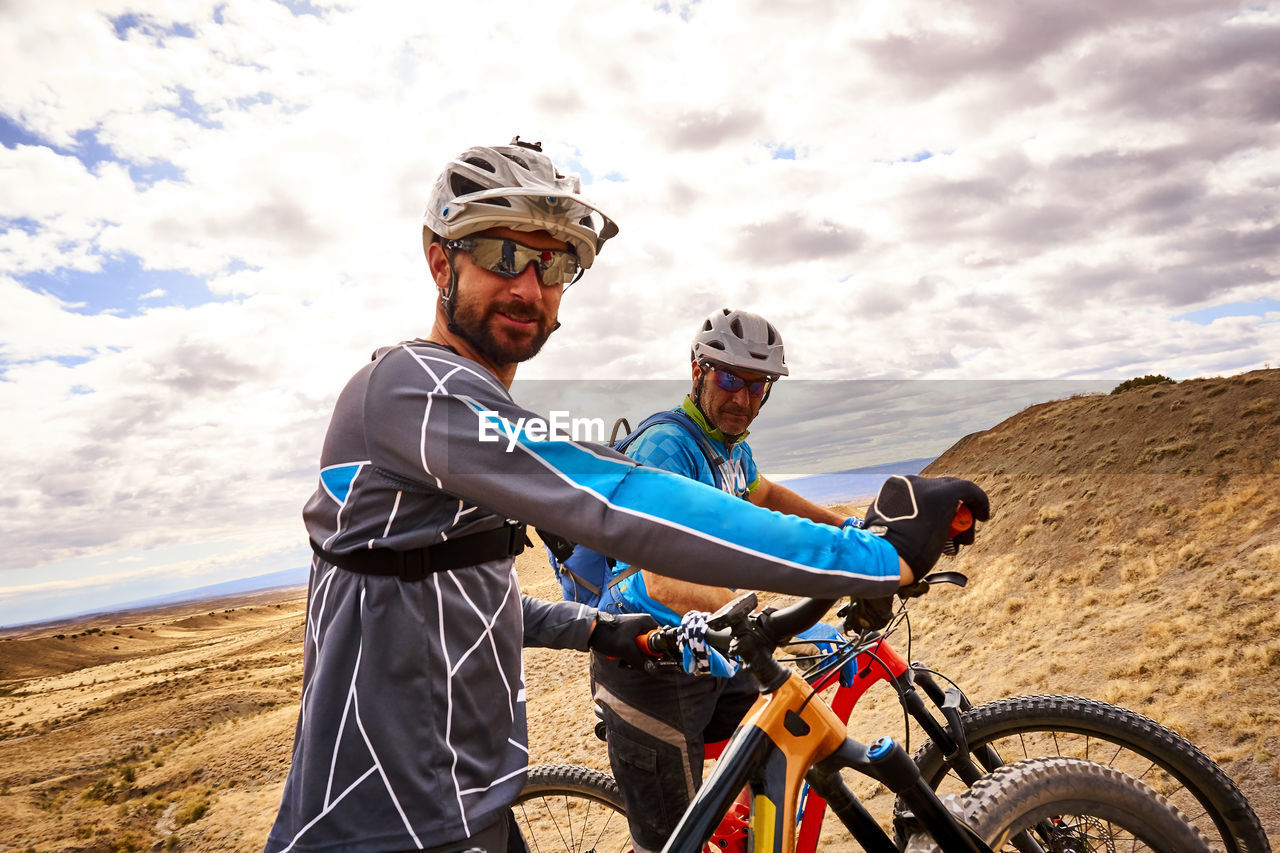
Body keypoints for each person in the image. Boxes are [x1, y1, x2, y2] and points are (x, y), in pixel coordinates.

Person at [265, 138, 986, 853]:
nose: (528, 285)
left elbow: (452, 595)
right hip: (376, 826)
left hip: (471, 800)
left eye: (552, 263)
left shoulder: (458, 429)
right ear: (438, 258)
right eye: (501, 253)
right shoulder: (407, 388)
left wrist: (593, 627)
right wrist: (865, 553)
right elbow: (622, 497)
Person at [593, 309, 864, 852]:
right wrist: (769, 624)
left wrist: (852, 533)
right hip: (651, 666)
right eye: (729, 379)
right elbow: (657, 575)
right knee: (672, 840)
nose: (742, 398)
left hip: (709, 651)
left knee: (779, 732)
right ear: (697, 372)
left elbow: (763, 494)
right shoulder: (665, 448)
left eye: (757, 386)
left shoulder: (729, 447)